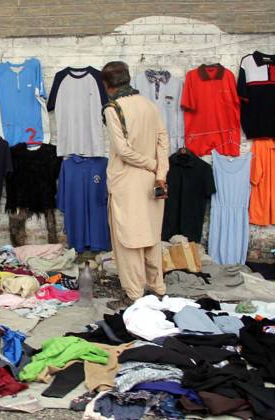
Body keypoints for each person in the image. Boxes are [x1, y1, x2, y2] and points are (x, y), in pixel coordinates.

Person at [101, 61, 170, 309]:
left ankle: (134, 294)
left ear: (107, 85)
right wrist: (160, 172)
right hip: (152, 181)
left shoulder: (113, 109)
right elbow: (164, 140)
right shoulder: (149, 105)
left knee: (128, 239)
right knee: (151, 235)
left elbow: (123, 151)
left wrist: (151, 164)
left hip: (128, 179)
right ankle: (158, 288)